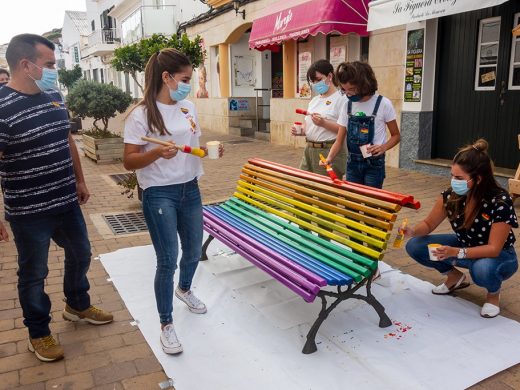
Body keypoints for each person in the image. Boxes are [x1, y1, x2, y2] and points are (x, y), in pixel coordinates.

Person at [0, 34, 113, 362]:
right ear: (26, 65)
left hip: (65, 201)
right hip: (29, 211)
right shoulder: (2, 109)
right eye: (48, 64)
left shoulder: (54, 95)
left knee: (81, 253)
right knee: (34, 273)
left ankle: (77, 305)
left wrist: (79, 179)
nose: (54, 71)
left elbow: (67, 140)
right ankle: (38, 333)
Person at [123, 48, 224, 355]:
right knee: (168, 260)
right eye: (184, 79)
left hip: (190, 189)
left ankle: (184, 290)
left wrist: (208, 151)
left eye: (190, 79)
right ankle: (166, 323)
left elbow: (191, 145)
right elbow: (129, 161)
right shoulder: (140, 114)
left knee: (193, 251)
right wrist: (155, 152)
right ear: (166, 77)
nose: (188, 85)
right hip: (159, 193)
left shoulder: (187, 108)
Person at [404, 139, 518, 318]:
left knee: (482, 269)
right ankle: (454, 277)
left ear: (478, 179)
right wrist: (412, 231)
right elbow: (428, 224)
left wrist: (454, 252)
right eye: (452, 175)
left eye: (459, 178)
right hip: (464, 244)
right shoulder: (451, 195)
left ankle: (493, 295)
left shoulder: (500, 201)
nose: (453, 181)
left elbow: (494, 249)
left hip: (499, 255)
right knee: (415, 245)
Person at [324, 61, 400, 189]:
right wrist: (329, 158)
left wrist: (383, 148)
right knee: (352, 203)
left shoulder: (383, 104)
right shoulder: (346, 105)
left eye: (352, 89)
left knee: (371, 202)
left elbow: (396, 136)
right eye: (344, 90)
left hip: (374, 164)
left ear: (365, 84)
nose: (348, 94)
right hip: (352, 163)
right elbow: (339, 140)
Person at [291, 59, 347, 178]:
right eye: (312, 81)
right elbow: (308, 126)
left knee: (326, 192)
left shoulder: (341, 99)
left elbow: (345, 129)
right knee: (302, 187)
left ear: (330, 76)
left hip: (328, 150)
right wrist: (300, 131)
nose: (316, 84)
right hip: (309, 149)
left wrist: (323, 123)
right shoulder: (314, 101)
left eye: (318, 80)